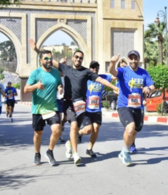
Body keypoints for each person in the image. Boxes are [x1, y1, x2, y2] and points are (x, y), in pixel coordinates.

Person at [29, 38, 119, 166]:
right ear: (73, 58)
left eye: (80, 58)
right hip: (69, 103)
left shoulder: (87, 72)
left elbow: (100, 80)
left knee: (77, 129)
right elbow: (49, 60)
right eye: (76, 57)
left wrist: (114, 87)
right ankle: (76, 154)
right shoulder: (67, 69)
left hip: (82, 105)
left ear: (82, 60)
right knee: (73, 125)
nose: (78, 59)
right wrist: (37, 50)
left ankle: (68, 146)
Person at [109, 50, 155, 166]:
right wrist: (112, 63)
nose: (133, 60)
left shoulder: (143, 73)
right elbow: (112, 72)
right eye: (131, 58)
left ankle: (124, 150)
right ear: (128, 59)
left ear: (139, 59)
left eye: (136, 58)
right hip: (124, 105)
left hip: (138, 107)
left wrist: (148, 89)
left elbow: (152, 86)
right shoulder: (123, 71)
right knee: (130, 128)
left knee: (134, 131)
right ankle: (125, 151)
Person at [24, 50, 63, 166]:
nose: (48, 61)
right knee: (38, 134)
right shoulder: (35, 73)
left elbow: (59, 84)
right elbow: (26, 89)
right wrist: (36, 86)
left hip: (52, 107)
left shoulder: (56, 73)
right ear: (41, 60)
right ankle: (37, 153)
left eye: (50, 58)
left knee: (57, 129)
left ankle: (50, 151)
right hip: (38, 109)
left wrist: (60, 88)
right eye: (46, 58)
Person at [77, 61, 114, 158]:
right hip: (87, 110)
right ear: (89, 69)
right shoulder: (85, 79)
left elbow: (115, 77)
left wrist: (119, 67)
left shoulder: (102, 78)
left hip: (97, 110)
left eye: (97, 67)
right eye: (92, 68)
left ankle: (89, 149)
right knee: (88, 130)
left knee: (96, 129)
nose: (95, 69)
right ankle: (79, 133)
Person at [57, 71, 66, 143]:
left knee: (66, 118)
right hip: (58, 99)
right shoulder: (56, 78)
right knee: (59, 117)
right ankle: (61, 136)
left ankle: (62, 125)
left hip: (66, 99)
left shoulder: (66, 78)